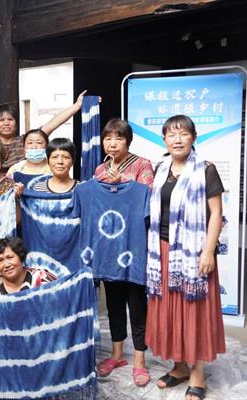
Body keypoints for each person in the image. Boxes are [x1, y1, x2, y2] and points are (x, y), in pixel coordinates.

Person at [145, 115, 225, 400]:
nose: (177, 140)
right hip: (162, 251)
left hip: (194, 252)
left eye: (183, 134)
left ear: (194, 137)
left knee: (194, 311)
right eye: (171, 134)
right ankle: (179, 366)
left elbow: (216, 213)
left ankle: (197, 373)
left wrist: (208, 250)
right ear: (164, 139)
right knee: (170, 310)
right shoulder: (160, 168)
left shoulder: (206, 169)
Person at [92, 118, 154, 386]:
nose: (113, 143)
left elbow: (148, 196)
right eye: (108, 138)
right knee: (114, 304)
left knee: (137, 305)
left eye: (118, 138)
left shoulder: (142, 165)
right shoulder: (100, 169)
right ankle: (117, 354)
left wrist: (124, 181)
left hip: (135, 244)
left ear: (128, 141)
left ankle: (139, 360)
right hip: (109, 246)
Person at [0, 237, 57, 399]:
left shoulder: (43, 279)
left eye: (10, 257)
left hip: (43, 351)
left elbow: (61, 310)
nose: (6, 264)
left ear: (20, 257)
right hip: (6, 356)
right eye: (0, 260)